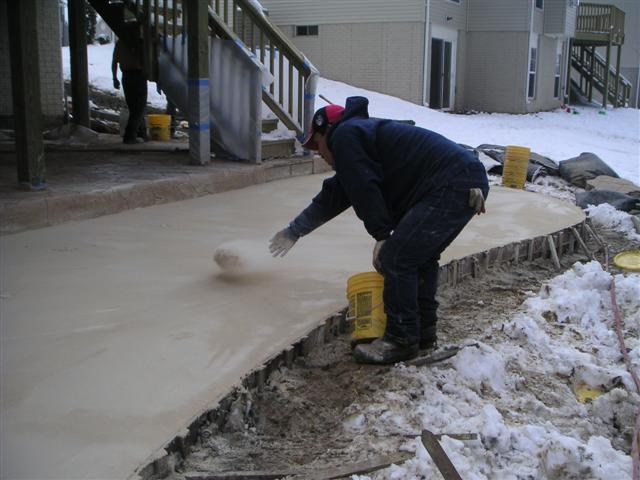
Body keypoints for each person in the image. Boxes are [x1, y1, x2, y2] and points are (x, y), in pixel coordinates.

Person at [268, 96, 489, 365]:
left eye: (318, 146)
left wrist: (383, 235)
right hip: (461, 179)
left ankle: (400, 340)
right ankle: (422, 333)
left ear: (327, 131)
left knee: (396, 259)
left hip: (451, 181)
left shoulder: (346, 136)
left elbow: (364, 188)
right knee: (419, 257)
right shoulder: (361, 137)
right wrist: (294, 231)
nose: (321, 155)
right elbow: (335, 196)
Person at [112, 37, 148, 144]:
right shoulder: (140, 41)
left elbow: (115, 61)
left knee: (133, 106)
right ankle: (130, 135)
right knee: (139, 107)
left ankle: (141, 133)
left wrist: (115, 78)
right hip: (138, 75)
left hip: (126, 76)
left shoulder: (120, 42)